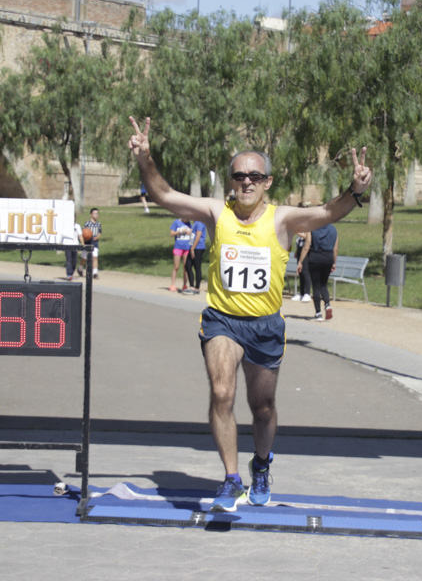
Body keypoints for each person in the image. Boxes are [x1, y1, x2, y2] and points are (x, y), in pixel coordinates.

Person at [128, 116, 372, 512]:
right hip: (222, 320)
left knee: (263, 408)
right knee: (222, 393)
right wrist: (146, 158)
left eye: (255, 176)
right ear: (231, 180)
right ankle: (231, 479)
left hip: (265, 327)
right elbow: (165, 195)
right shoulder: (214, 212)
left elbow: (328, 212)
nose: (246, 182)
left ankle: (261, 465)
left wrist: (356, 190)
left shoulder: (282, 219)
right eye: (239, 176)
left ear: (268, 182)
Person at [302, 223, 338, 320]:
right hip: (328, 258)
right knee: (323, 284)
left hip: (315, 258)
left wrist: (300, 262)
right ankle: (327, 304)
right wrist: (334, 262)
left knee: (316, 286)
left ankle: (318, 313)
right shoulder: (334, 229)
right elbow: (335, 249)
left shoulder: (312, 227)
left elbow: (307, 245)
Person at [290, 202, 313, 303]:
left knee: (305, 271)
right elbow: (298, 238)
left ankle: (307, 293)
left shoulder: (309, 223)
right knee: (300, 272)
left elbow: (308, 238)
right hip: (299, 248)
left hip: (306, 249)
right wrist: (296, 251)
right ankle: (302, 292)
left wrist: (297, 232)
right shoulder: (300, 222)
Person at [169, 217, 193, 292]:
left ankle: (184, 285)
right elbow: (171, 233)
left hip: (186, 247)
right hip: (178, 247)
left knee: (186, 267)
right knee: (176, 266)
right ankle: (172, 284)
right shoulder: (176, 222)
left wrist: (190, 232)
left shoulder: (189, 223)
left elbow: (192, 232)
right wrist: (181, 231)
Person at [185, 218, 207, 294]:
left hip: (198, 247)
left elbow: (198, 235)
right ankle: (191, 286)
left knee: (197, 267)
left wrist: (193, 248)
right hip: (193, 247)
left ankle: (197, 288)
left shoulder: (199, 222)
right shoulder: (195, 223)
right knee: (187, 266)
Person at [81, 208, 102, 279]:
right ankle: (80, 268)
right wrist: (85, 239)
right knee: (84, 257)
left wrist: (97, 237)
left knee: (95, 257)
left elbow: (99, 232)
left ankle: (95, 272)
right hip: (88, 241)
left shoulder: (98, 224)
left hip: (95, 241)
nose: (96, 215)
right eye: (94, 213)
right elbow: (84, 232)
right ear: (91, 215)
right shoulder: (87, 223)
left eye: (97, 213)